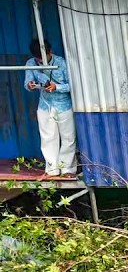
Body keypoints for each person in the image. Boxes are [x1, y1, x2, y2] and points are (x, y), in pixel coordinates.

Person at [23, 39, 77, 178]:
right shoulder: (31, 63)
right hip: (44, 105)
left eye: (44, 58)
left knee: (68, 138)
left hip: (64, 104)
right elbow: (27, 84)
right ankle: (52, 169)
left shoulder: (61, 63)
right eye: (39, 59)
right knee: (47, 138)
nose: (42, 61)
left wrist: (56, 87)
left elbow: (73, 85)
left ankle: (68, 170)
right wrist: (30, 85)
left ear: (50, 52)